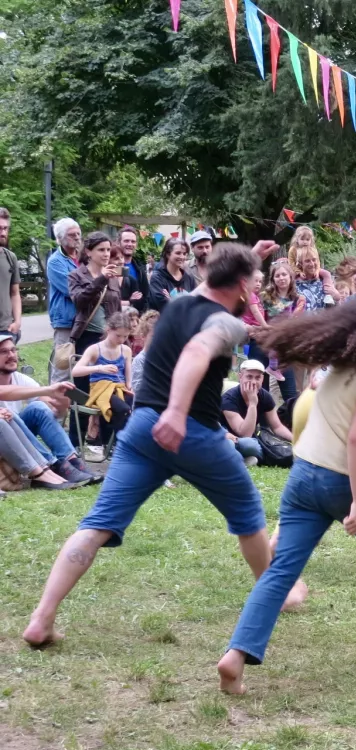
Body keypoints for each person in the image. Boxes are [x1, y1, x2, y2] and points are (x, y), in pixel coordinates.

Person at [23, 241, 284, 649]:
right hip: (193, 431)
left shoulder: (179, 304)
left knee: (96, 525)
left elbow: (214, 284)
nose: (255, 289)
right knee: (250, 514)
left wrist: (248, 257)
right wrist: (177, 413)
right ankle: (277, 595)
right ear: (239, 285)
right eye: (252, 282)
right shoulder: (226, 323)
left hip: (142, 428)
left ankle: (41, 619)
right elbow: (197, 351)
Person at [216, 291, 356, 694]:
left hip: (303, 476)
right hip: (340, 479)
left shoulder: (341, 365)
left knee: (281, 570)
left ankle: (236, 656)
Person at [0, 333, 97, 484]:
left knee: (38, 408)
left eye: (13, 350)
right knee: (9, 417)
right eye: (4, 352)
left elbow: (50, 411)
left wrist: (61, 405)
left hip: (16, 438)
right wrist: (48, 389)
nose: (11, 355)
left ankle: (71, 461)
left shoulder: (21, 379)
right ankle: (52, 464)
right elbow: (4, 392)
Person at [68, 234, 125, 428]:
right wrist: (101, 279)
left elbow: (117, 310)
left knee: (108, 390)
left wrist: (122, 338)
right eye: (101, 249)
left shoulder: (113, 277)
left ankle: (100, 438)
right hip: (86, 338)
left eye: (108, 249)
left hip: (109, 340)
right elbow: (79, 301)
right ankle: (76, 439)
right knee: (82, 392)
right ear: (88, 252)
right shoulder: (76, 275)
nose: (106, 254)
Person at [72, 311, 135, 442]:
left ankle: (114, 444)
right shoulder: (95, 349)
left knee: (134, 406)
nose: (121, 340)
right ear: (108, 329)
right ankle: (117, 444)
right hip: (100, 390)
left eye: (125, 336)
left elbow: (128, 377)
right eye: (118, 335)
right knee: (123, 409)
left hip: (119, 389)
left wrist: (130, 387)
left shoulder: (126, 350)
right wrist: (99, 368)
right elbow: (75, 371)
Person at [221, 359, 293, 466]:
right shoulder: (229, 399)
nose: (253, 382)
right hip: (229, 439)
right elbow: (245, 433)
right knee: (235, 444)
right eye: (249, 377)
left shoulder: (265, 396)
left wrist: (296, 440)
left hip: (248, 442)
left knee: (252, 445)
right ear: (240, 377)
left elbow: (277, 427)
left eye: (257, 378)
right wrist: (253, 404)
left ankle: (241, 458)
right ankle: (242, 459)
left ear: (262, 379)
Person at [260, 258, 306, 397]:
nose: (281, 278)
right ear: (273, 279)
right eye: (277, 275)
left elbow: (297, 321)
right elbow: (264, 318)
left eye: (284, 274)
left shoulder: (299, 298)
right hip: (265, 344)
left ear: (290, 277)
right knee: (262, 390)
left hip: (286, 347)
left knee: (290, 392)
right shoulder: (265, 296)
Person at [47, 218, 83, 382]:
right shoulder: (55, 261)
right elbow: (72, 290)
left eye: (78, 233)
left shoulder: (84, 258)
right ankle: (55, 398)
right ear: (60, 238)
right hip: (66, 322)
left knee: (83, 366)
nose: (77, 237)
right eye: (71, 234)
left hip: (86, 321)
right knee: (63, 368)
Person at [148, 239, 196, 312]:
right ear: (167, 254)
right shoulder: (158, 278)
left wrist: (172, 301)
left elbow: (194, 305)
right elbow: (163, 307)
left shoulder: (189, 278)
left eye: (184, 254)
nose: (182, 257)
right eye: (178, 253)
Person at [292, 245, 340, 311]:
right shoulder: (294, 284)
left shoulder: (324, 280)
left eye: (314, 260)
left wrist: (336, 296)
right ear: (300, 264)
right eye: (307, 261)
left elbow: (337, 308)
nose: (312, 264)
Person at [0, 208, 23, 341]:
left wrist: (17, 322)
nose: (3, 233)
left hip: (6, 328)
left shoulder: (10, 257)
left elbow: (15, 293)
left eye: (5, 228)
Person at [115, 227, 149, 313]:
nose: (130, 244)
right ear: (118, 243)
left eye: (133, 241)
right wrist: (129, 302)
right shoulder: (111, 267)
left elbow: (145, 297)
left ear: (136, 245)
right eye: (126, 241)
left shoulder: (140, 270)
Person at [129, 312, 159, 394]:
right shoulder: (139, 360)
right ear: (143, 336)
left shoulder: (163, 358)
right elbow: (137, 387)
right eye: (153, 336)